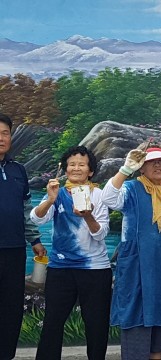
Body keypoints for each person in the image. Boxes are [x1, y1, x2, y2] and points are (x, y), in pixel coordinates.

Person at [101, 143, 161, 360]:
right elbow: (108, 198)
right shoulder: (131, 188)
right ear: (141, 167)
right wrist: (124, 169)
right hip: (138, 265)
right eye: (151, 161)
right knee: (137, 321)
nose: (158, 165)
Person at [31, 146, 112, 360]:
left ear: (90, 171)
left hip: (95, 269)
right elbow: (37, 218)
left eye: (82, 164)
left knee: (96, 325)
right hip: (61, 269)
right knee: (52, 323)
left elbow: (101, 233)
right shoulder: (57, 192)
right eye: (72, 164)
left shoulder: (99, 194)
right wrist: (49, 199)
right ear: (66, 169)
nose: (76, 168)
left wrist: (87, 216)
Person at [0, 112, 46, 360]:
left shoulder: (18, 171)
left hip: (15, 250)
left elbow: (26, 211)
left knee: (10, 311)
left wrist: (36, 241)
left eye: (5, 133)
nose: (1, 138)